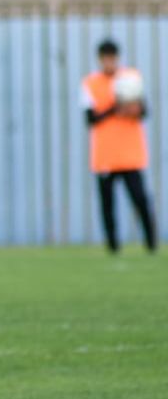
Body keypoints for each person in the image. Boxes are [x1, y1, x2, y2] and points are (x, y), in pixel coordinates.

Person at [80, 39, 157, 253]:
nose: (109, 63)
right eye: (105, 59)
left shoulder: (131, 79)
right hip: (104, 157)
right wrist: (115, 107)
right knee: (108, 205)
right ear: (100, 59)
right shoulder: (90, 83)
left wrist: (130, 107)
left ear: (117, 58)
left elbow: (143, 112)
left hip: (131, 155)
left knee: (140, 199)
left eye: (112, 59)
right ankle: (113, 247)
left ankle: (151, 244)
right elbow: (90, 119)